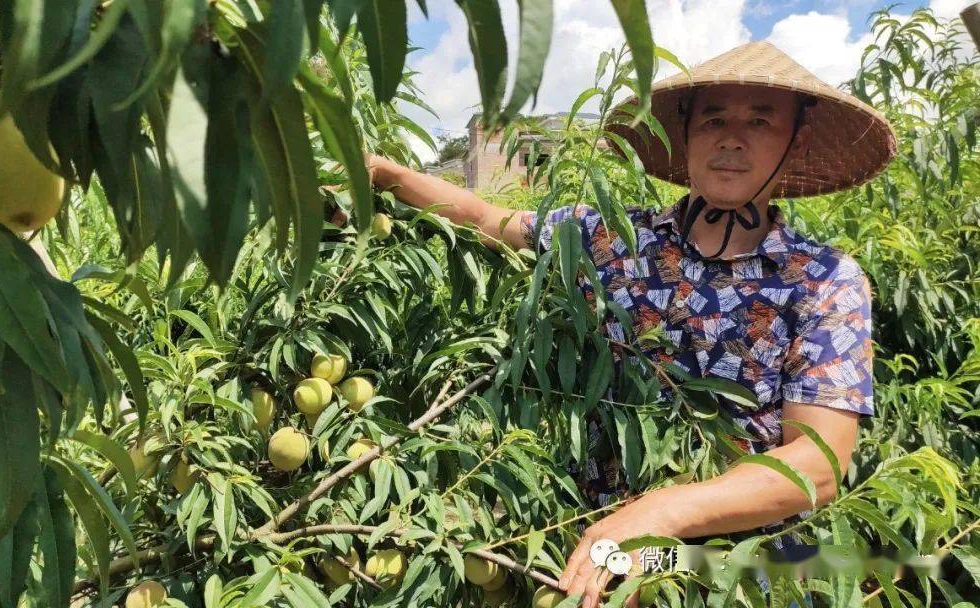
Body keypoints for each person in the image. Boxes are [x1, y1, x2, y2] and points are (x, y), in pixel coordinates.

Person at [362, 41, 896, 607]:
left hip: (720, 565)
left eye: (760, 121)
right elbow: (486, 219)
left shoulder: (823, 279)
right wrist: (380, 173)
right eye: (714, 118)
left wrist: (660, 514)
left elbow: (817, 464)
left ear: (797, 142)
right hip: (587, 547)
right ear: (685, 133)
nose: (732, 138)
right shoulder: (612, 238)